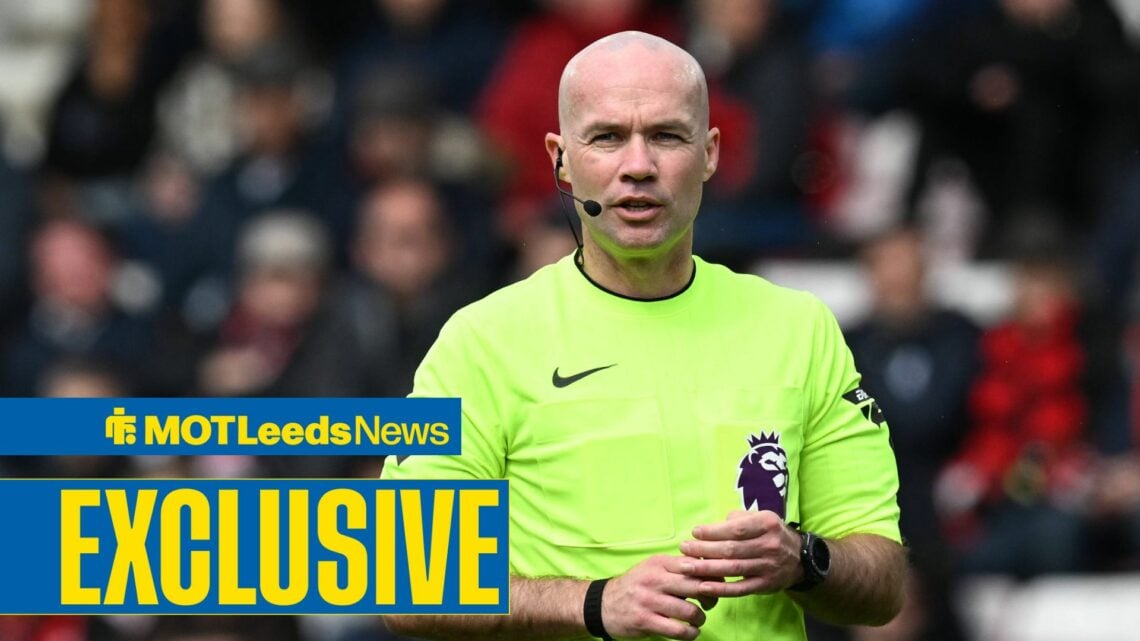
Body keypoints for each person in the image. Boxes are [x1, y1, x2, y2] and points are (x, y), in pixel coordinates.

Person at [382, 31, 905, 641]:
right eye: (606, 137)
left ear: (710, 152)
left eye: (666, 135)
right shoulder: (482, 341)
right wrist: (593, 604)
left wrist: (803, 558)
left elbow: (884, 582)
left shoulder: (799, 328)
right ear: (560, 158)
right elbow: (411, 585)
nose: (638, 166)